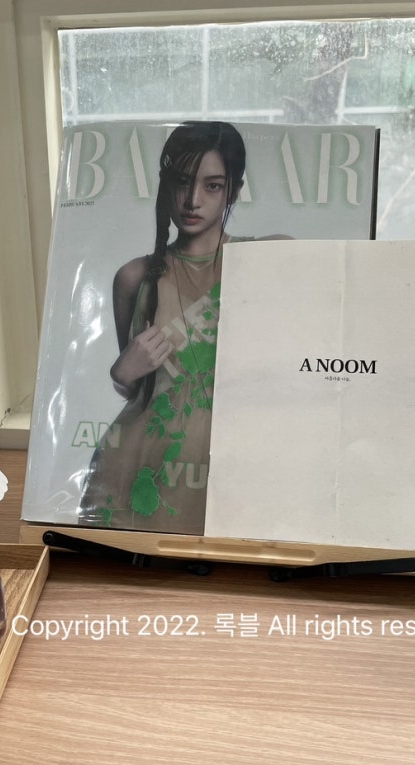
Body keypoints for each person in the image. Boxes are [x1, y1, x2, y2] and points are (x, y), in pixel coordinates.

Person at [78, 120, 284, 535]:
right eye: (182, 182)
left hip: (233, 467)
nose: (192, 200)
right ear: (166, 184)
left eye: (212, 186)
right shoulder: (134, 278)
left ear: (234, 191)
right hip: (137, 470)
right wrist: (121, 372)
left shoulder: (270, 258)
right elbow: (141, 393)